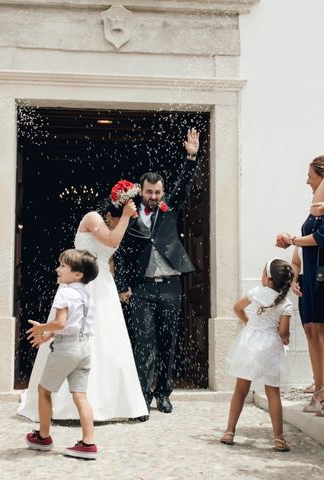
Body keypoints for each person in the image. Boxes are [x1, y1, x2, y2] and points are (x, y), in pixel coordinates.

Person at [18, 183, 148, 421]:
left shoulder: (115, 223)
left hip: (104, 288)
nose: (114, 224)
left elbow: (108, 260)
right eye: (113, 220)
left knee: (108, 341)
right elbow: (109, 241)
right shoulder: (92, 218)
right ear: (108, 214)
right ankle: (65, 404)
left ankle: (118, 404)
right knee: (75, 332)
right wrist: (127, 216)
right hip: (83, 284)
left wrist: (116, 288)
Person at [115, 128, 200, 413]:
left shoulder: (168, 208)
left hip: (170, 286)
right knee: (143, 342)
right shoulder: (130, 214)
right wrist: (122, 284)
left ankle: (163, 393)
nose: (154, 196)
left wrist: (191, 157)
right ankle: (142, 397)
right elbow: (123, 253)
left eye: (158, 192)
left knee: (168, 341)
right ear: (142, 192)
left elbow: (183, 185)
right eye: (149, 192)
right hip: (142, 287)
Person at [276, 155, 324, 415]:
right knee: (313, 331)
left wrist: (293, 239)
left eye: (311, 176)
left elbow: (322, 237)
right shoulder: (315, 209)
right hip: (309, 276)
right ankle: (320, 387)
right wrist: (295, 271)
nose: (307, 180)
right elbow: (307, 235)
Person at [25, 249, 100, 460]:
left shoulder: (65, 292)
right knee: (80, 396)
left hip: (66, 348)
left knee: (44, 390)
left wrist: (42, 329)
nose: (57, 269)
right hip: (84, 348)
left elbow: (61, 323)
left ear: (78, 274)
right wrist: (48, 335)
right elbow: (74, 326)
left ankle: (43, 436)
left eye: (63, 266)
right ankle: (88, 443)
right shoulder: (86, 296)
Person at [220, 258, 293, 452]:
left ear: (268, 278)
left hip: (249, 344)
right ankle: (278, 438)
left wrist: (247, 322)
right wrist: (285, 339)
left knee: (241, 389)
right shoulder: (286, 303)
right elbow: (284, 333)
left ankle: (229, 431)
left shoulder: (256, 292)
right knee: (272, 392)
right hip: (270, 347)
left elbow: (237, 308)